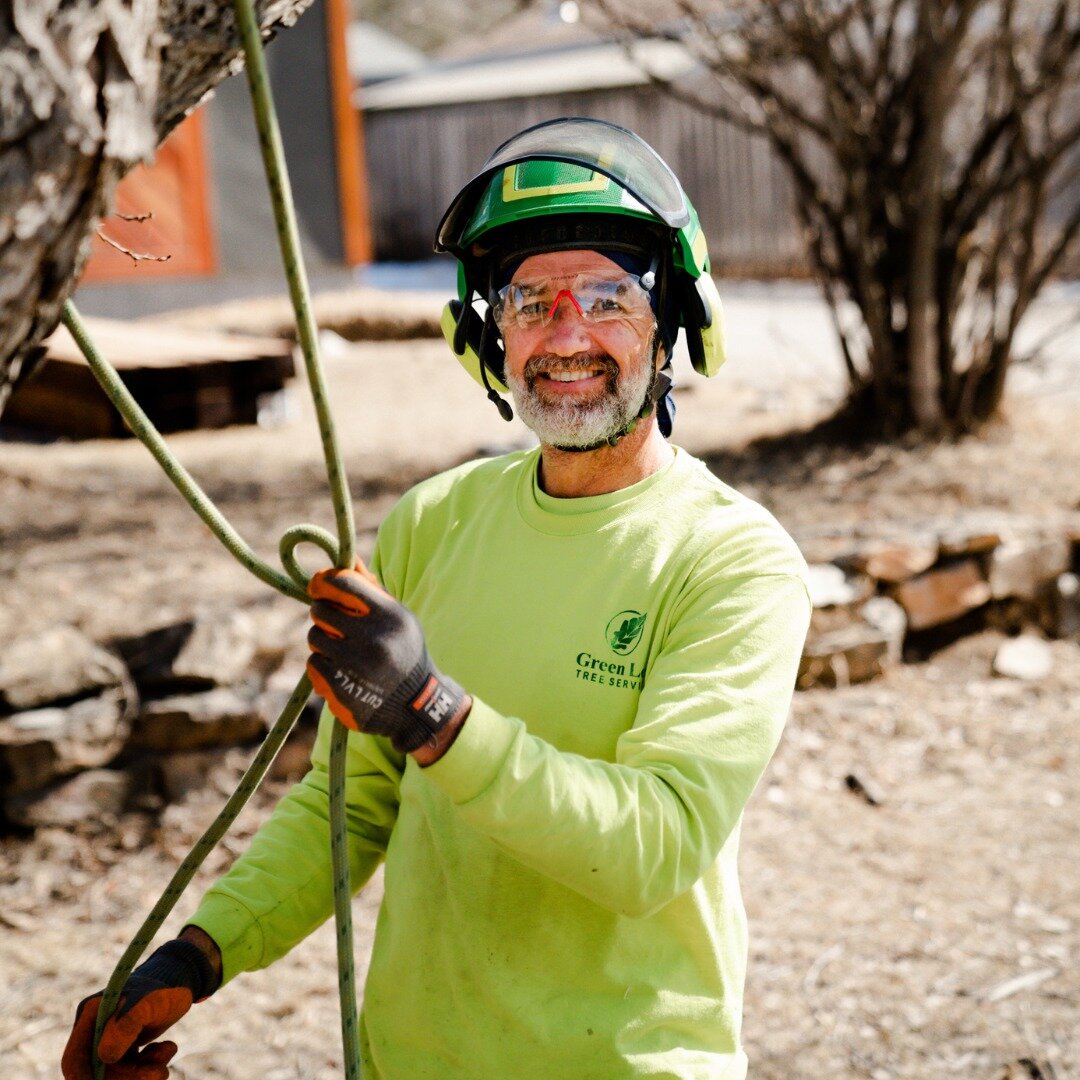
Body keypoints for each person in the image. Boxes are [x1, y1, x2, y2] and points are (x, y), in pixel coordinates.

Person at [63, 117, 811, 1079]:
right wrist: (197, 956)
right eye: (530, 299)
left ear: (671, 321)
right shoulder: (433, 521)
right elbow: (352, 801)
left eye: (607, 296)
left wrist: (430, 712)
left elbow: (653, 848)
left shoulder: (734, 561)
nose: (566, 334)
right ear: (485, 331)